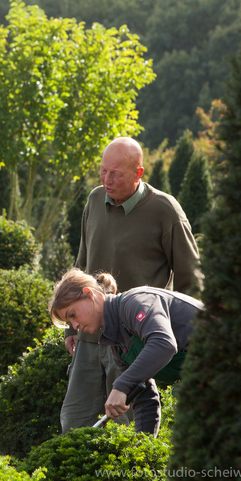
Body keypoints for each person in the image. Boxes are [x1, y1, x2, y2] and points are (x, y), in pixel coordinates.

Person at [61, 136, 203, 432]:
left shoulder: (165, 209)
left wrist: (183, 346)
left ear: (139, 173)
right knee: (74, 422)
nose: (107, 180)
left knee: (124, 426)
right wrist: (69, 327)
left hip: (134, 340)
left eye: (116, 174)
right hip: (89, 337)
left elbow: (191, 279)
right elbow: (81, 265)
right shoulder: (94, 200)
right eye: (103, 171)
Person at [50, 269, 203, 435]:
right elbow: (145, 400)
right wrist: (142, 450)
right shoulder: (116, 344)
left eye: (72, 314)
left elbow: (163, 343)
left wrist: (121, 386)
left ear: (89, 294)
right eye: (69, 322)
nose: (75, 326)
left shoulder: (135, 302)